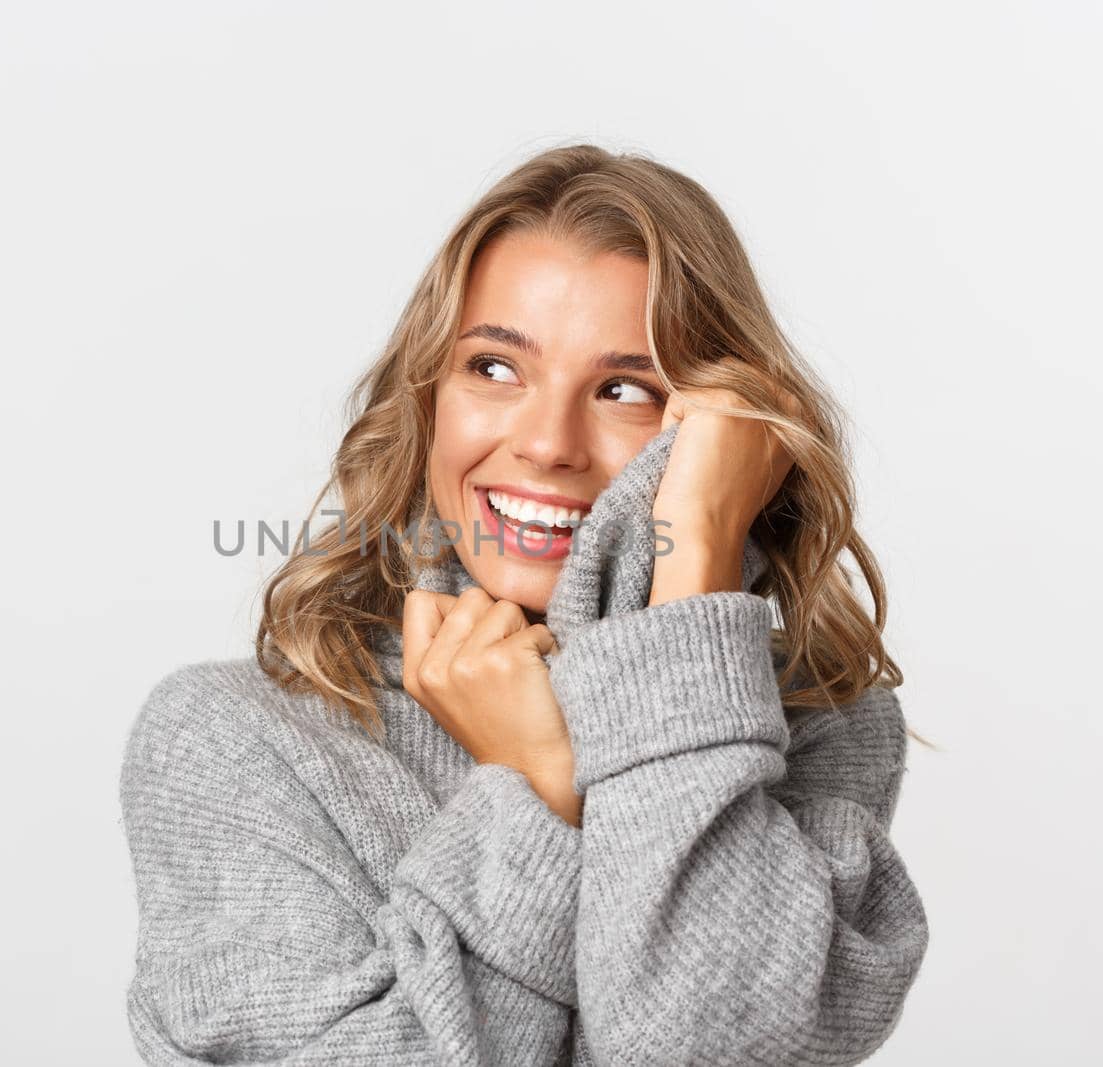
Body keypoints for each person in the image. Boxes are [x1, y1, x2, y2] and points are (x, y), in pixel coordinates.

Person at [119, 144, 931, 1066]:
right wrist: (538, 793)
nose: (547, 443)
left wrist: (695, 549)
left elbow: (714, 1044)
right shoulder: (239, 740)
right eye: (495, 368)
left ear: (707, 434)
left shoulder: (818, 725)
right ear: (426, 396)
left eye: (625, 389)